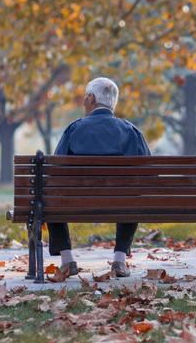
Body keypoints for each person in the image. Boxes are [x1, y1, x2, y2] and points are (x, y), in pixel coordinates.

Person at [47, 77, 151, 278]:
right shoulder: (130, 131)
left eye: (85, 98)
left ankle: (67, 260)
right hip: (122, 203)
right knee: (132, 196)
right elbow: (148, 174)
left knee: (49, 197)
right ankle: (119, 260)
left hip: (75, 203)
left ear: (91, 98)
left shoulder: (74, 129)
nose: (83, 102)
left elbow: (54, 173)